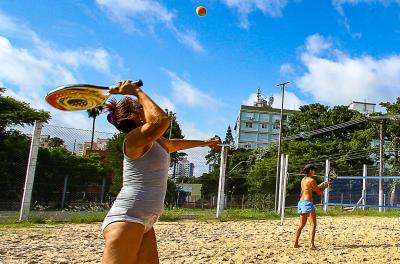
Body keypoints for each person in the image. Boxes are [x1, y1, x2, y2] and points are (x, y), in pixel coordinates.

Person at [101, 80, 220, 264]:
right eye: (140, 107)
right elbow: (161, 120)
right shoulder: (133, 139)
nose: (144, 108)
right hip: (127, 217)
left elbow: (173, 144)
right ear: (133, 114)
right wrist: (137, 92)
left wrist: (204, 142)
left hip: (144, 221)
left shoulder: (154, 141)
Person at [293, 164, 330, 250]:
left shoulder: (303, 179)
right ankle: (311, 245)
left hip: (301, 203)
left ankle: (295, 243)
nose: (315, 172)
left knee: (301, 225)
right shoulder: (312, 180)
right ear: (310, 170)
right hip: (307, 203)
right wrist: (325, 187)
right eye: (314, 170)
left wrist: (323, 184)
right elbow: (318, 192)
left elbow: (311, 188)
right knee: (313, 224)